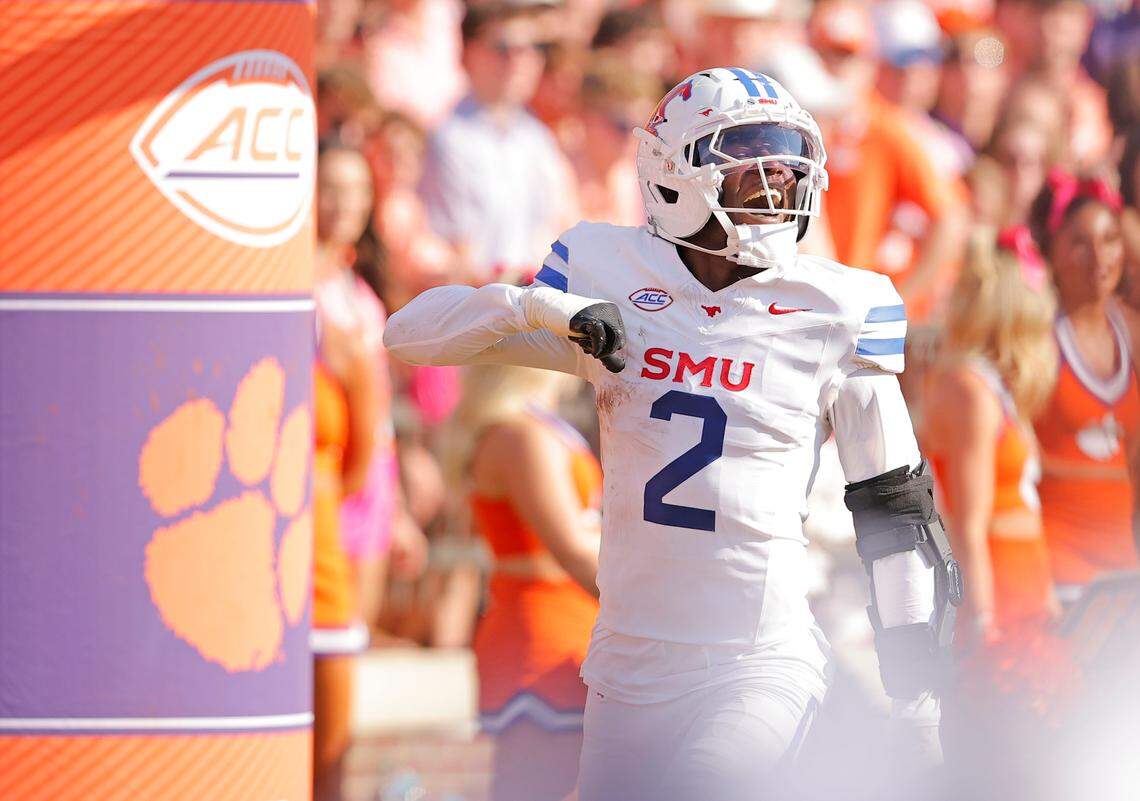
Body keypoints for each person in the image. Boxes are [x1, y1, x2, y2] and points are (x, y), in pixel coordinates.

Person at [385, 68, 961, 801]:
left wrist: (917, 697)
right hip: (626, 662)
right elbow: (408, 336)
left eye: (786, 168)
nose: (776, 188)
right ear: (672, 176)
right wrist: (541, 311)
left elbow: (896, 513)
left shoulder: (836, 306)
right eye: (750, 167)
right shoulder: (608, 274)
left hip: (759, 656)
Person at [448, 364, 601, 801]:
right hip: (540, 636)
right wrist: (650, 612)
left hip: (563, 627)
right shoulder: (521, 435)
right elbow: (571, 547)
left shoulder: (534, 428)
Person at [924, 229, 1058, 644]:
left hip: (1023, 589)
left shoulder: (988, 386)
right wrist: (982, 625)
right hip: (999, 601)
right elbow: (967, 527)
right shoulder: (970, 391)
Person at [1029, 168, 1139, 605]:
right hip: (1061, 574)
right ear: (1050, 250)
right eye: (1079, 242)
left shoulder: (1133, 333)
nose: (1100, 257)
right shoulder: (1036, 338)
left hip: (1125, 573)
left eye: (1111, 239)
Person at [419, 2, 578, 284]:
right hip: (477, 309)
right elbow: (453, 254)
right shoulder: (447, 139)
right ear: (467, 53)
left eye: (534, 48)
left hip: (537, 306)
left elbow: (560, 231)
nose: (520, 60)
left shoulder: (538, 138)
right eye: (503, 48)